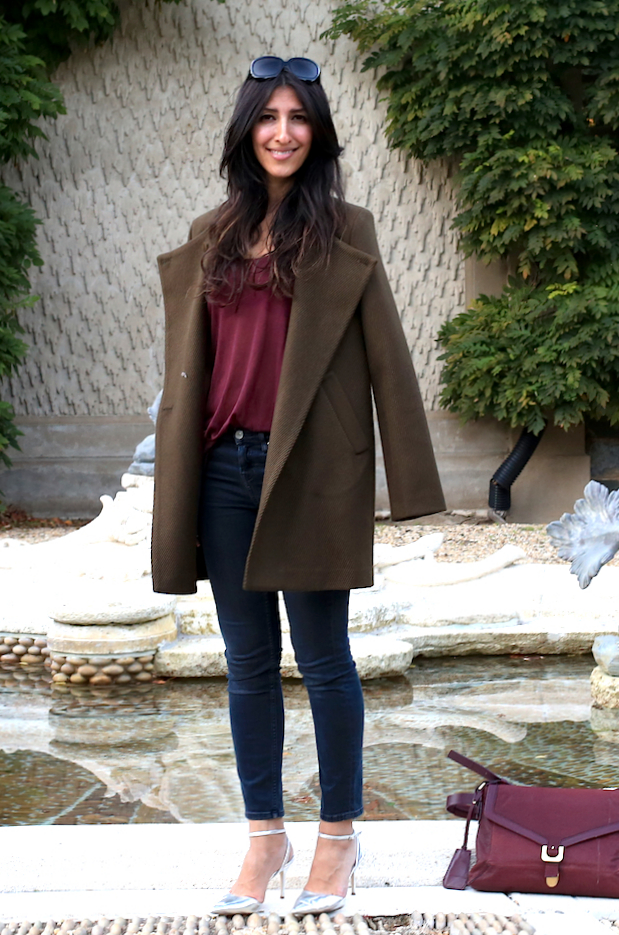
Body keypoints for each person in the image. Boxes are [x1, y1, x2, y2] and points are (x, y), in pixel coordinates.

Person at [151, 56, 445, 916]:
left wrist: (408, 475)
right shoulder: (213, 232)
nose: (283, 131)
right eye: (268, 116)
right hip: (223, 472)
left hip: (314, 469)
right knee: (246, 666)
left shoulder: (346, 228)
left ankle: (339, 838)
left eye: (298, 117)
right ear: (248, 131)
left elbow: (387, 353)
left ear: (317, 133)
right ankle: (264, 836)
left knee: (323, 662)